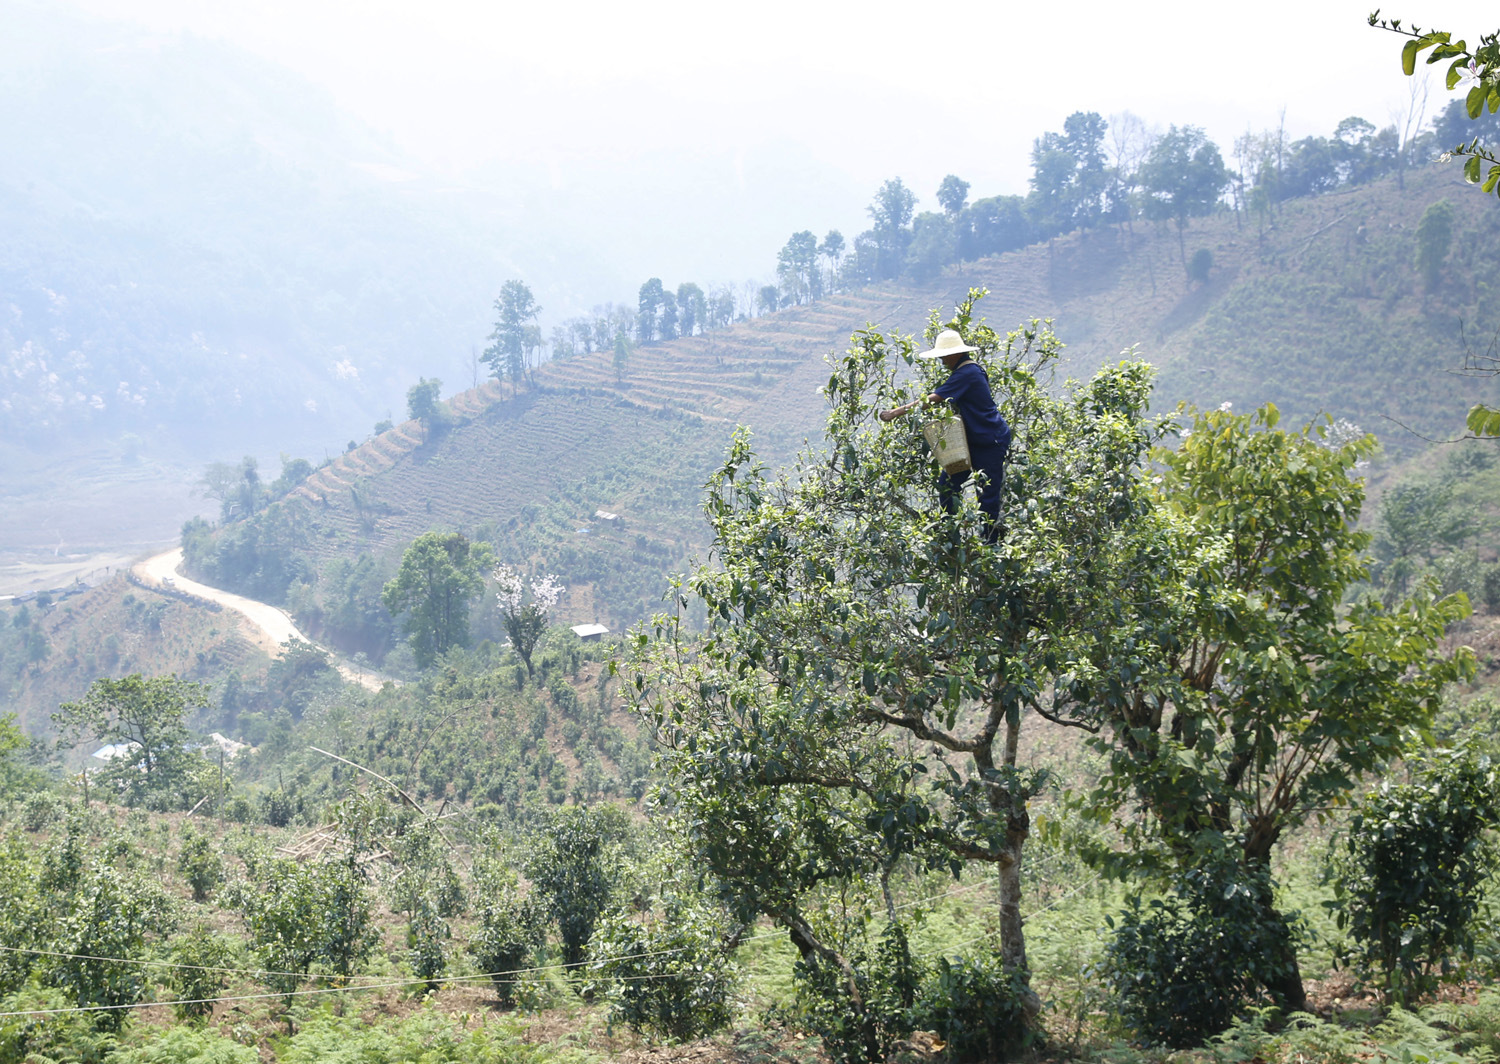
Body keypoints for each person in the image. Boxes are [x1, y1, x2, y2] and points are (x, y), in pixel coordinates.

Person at [879, 329, 1011, 542]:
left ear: (954, 354)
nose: (941, 360)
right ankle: (951, 536)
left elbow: (934, 398)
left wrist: (895, 413)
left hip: (990, 440)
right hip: (974, 441)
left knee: (987, 493)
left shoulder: (968, 373)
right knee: (948, 484)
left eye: (943, 355)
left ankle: (990, 544)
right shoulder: (965, 372)